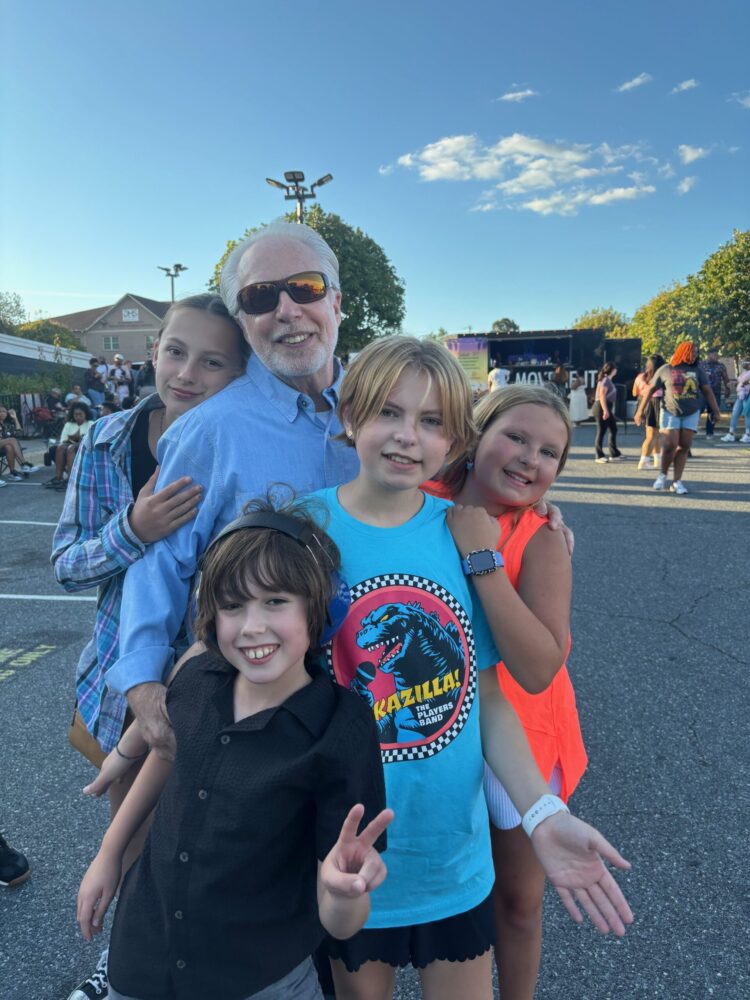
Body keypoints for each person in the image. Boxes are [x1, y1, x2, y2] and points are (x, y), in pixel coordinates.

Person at [313, 337, 632, 1000]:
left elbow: (497, 694)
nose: (408, 437)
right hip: (347, 845)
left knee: (502, 931)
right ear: (349, 414)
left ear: (451, 433)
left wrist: (542, 813)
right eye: (388, 414)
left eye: (430, 422)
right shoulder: (307, 529)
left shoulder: (475, 535)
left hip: (458, 837)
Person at [76, 500, 392, 1000]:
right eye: (232, 605)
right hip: (142, 956)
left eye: (275, 601)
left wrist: (338, 892)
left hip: (258, 979)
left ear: (321, 607)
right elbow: (167, 754)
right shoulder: (198, 677)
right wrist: (109, 855)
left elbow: (343, 920)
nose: (251, 627)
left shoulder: (341, 727)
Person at [52, 293, 248, 1000]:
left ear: (242, 372)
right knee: (135, 839)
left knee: (219, 840)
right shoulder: (107, 441)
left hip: (229, 677)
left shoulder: (244, 442)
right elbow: (67, 565)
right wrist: (132, 528)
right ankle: (127, 966)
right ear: (152, 352)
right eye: (174, 351)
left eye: (213, 361)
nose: (187, 373)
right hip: (127, 679)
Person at [433, 385, 586, 1000]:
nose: (530, 459)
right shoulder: (415, 502)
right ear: (475, 436)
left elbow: (537, 669)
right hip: (422, 724)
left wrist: (483, 560)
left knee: (518, 902)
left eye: (550, 452)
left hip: (518, 733)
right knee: (429, 889)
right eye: (516, 437)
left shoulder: (543, 539)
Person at [634, 341, 721, 496]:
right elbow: (650, 390)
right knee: (669, 445)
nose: (695, 355)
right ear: (683, 352)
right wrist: (640, 411)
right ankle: (662, 475)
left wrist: (716, 411)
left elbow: (708, 391)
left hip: (692, 413)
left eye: (696, 352)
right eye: (692, 352)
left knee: (685, 446)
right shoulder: (666, 369)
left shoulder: (698, 370)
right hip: (670, 412)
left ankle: (676, 482)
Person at [44, 402, 96, 489]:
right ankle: (58, 477)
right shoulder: (69, 424)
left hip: (85, 447)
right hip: (70, 444)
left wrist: (76, 441)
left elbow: (90, 440)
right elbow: (63, 440)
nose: (78, 417)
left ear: (85, 414)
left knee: (70, 448)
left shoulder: (90, 423)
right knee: (60, 447)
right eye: (76, 414)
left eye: (80, 414)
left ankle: (70, 479)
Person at [632, 355, 666, 470]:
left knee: (653, 435)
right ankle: (644, 461)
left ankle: (658, 459)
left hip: (643, 402)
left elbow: (634, 393)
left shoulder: (640, 377)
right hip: (656, 402)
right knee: (653, 435)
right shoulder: (660, 377)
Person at [0, 404, 40, 480]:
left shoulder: (7, 425)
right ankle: (23, 464)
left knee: (9, 447)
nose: (2, 413)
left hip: (3, 447)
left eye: (4, 412)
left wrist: (15, 418)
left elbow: (19, 434)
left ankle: (12, 473)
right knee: (12, 440)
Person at [592, 363, 622, 463]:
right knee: (601, 430)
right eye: (615, 369)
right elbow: (602, 395)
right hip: (601, 406)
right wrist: (605, 410)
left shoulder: (607, 380)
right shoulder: (606, 380)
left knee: (613, 428)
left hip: (605, 406)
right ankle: (599, 455)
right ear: (612, 370)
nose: (616, 370)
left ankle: (614, 453)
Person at [700, 349, 730, 438]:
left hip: (715, 393)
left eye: (717, 355)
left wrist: (727, 389)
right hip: (702, 392)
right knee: (698, 410)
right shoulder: (701, 365)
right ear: (709, 355)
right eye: (714, 355)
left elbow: (726, 379)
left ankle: (709, 432)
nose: (716, 356)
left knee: (712, 412)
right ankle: (691, 430)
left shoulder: (721, 366)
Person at [721, 359, 750, 443]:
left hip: (747, 396)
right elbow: (740, 382)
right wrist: (735, 384)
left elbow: (745, 382)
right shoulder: (744, 372)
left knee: (748, 415)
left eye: (746, 363)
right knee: (734, 414)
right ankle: (731, 434)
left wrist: (746, 383)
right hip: (740, 395)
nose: (743, 364)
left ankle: (748, 435)